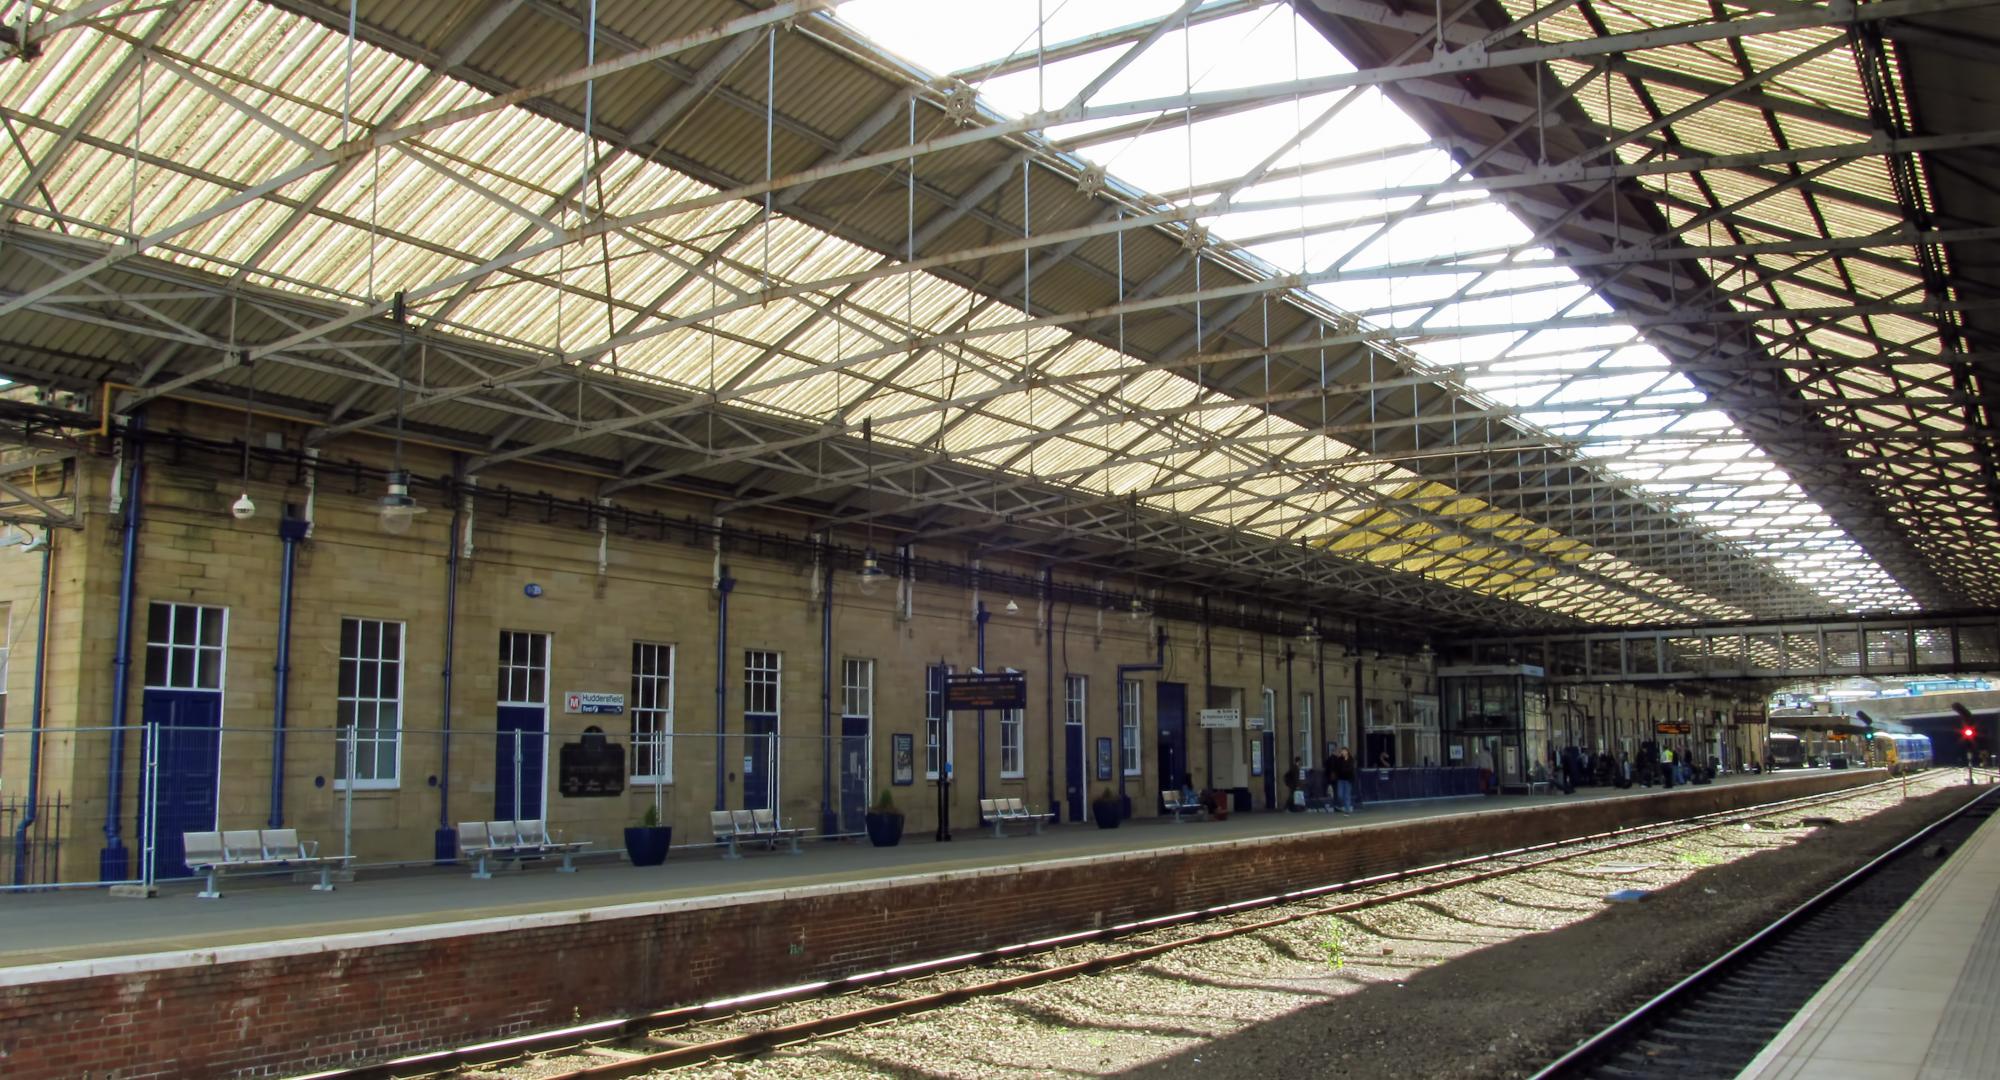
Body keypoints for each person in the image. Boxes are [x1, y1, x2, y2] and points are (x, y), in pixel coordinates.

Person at [1333, 746, 1358, 813]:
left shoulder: (1351, 759)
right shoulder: (1339, 759)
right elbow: (1336, 767)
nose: (1343, 752)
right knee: (1340, 795)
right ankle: (1342, 806)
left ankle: (1347, 809)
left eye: (1344, 751)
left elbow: (1350, 768)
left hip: (1348, 779)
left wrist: (1343, 770)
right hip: (1340, 779)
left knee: (1347, 795)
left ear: (1347, 752)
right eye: (1342, 751)